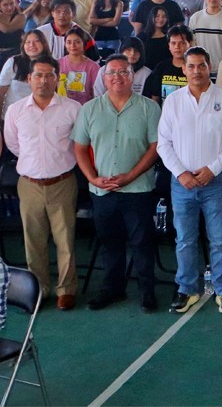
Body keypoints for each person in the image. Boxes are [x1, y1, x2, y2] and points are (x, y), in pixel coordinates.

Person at [73, 54, 163, 328]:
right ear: (103, 77)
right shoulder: (89, 109)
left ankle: (147, 292)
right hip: (101, 190)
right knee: (110, 242)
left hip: (137, 189)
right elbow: (79, 148)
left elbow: (155, 147)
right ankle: (113, 289)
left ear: (133, 76)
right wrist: (93, 178)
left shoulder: (149, 108)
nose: (117, 77)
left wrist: (130, 176)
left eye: (123, 72)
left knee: (141, 242)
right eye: (111, 73)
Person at [156, 47, 222, 314]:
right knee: (185, 239)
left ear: (209, 66)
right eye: (191, 66)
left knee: (219, 239)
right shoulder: (173, 101)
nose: (196, 71)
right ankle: (187, 288)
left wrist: (212, 170)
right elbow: (163, 143)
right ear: (184, 69)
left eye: (201, 65)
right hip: (182, 183)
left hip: (216, 182)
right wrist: (181, 172)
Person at [3, 54, 81, 308]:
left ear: (57, 78)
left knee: (65, 240)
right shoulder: (15, 111)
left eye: (49, 75)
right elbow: (14, 145)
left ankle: (66, 289)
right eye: (38, 75)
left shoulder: (72, 109)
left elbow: (79, 145)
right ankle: (39, 289)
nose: (44, 81)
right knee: (33, 241)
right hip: (29, 184)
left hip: (63, 183)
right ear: (29, 79)